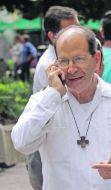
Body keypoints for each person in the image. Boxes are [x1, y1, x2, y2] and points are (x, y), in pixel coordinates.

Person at [11, 25, 111, 190]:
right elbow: (22, 143)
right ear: (55, 65)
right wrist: (53, 95)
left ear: (96, 59)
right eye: (64, 61)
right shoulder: (44, 102)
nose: (71, 69)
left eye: (78, 59)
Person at [29, 6, 79, 190]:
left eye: (78, 28)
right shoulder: (51, 66)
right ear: (52, 36)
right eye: (69, 30)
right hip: (51, 150)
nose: (77, 34)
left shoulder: (64, 57)